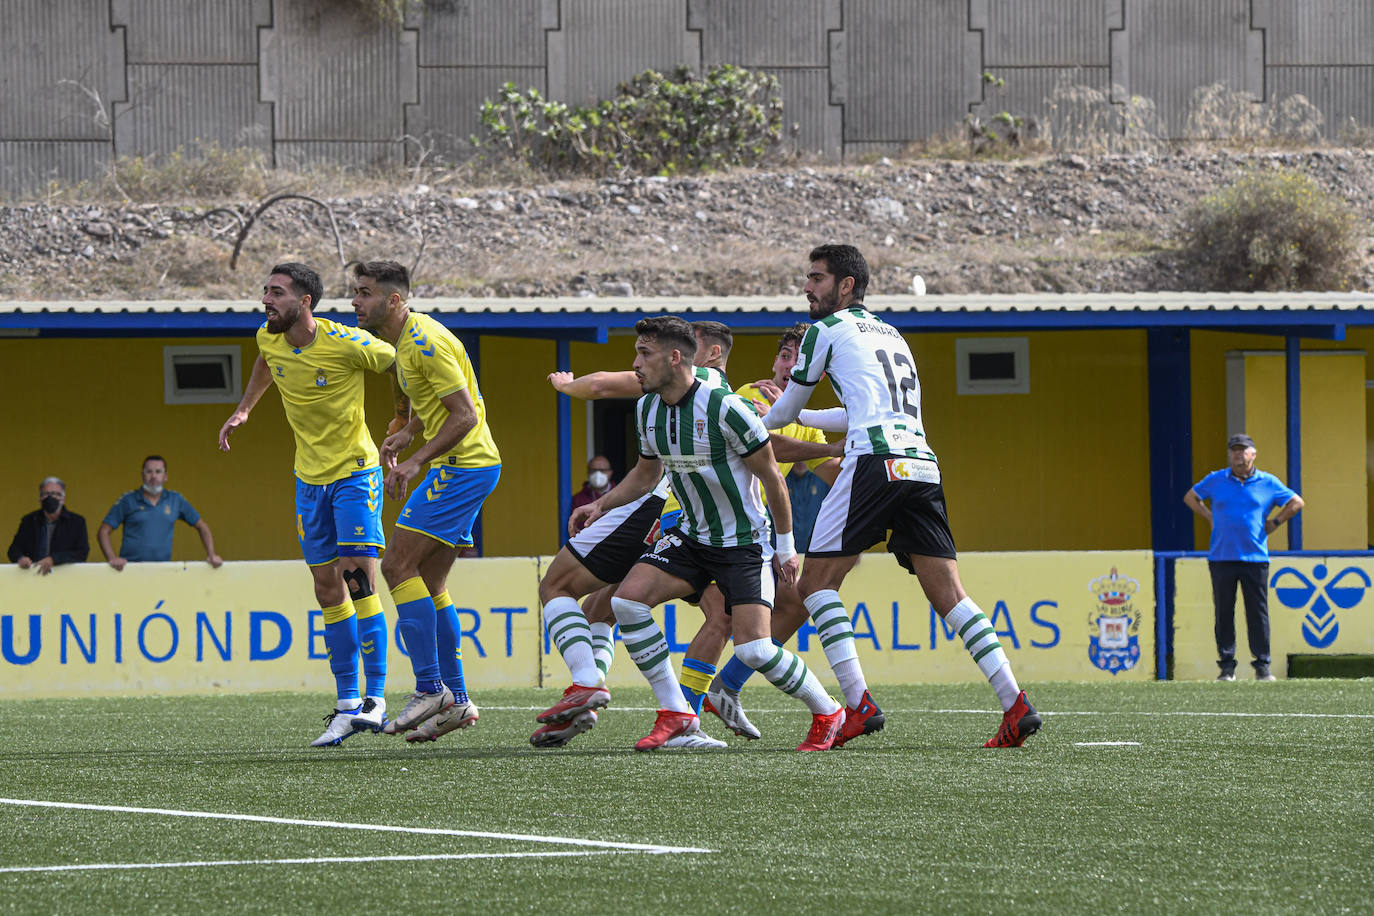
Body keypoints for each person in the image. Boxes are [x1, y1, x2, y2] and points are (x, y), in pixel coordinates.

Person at [761, 243, 1042, 748]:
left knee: (816, 587)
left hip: (873, 462)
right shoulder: (891, 333)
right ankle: (1014, 702)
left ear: (846, 285)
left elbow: (781, 415)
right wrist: (801, 415)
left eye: (817, 278)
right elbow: (855, 413)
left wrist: (743, 429)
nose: (807, 287)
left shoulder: (825, 331)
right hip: (921, 464)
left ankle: (857, 703)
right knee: (951, 595)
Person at [573, 316, 847, 752]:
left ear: (674, 357)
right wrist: (600, 503)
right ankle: (678, 714)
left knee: (755, 650)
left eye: (644, 354)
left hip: (743, 544)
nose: (636, 364)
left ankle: (829, 710)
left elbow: (774, 479)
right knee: (626, 601)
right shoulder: (647, 408)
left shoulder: (726, 408)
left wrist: (786, 548)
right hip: (689, 536)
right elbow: (645, 476)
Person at [218, 261, 395, 747]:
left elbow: (402, 362)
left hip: (356, 473)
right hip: (308, 480)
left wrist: (404, 426)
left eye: (276, 292)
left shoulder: (347, 343)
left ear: (305, 302)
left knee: (358, 576)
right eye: (266, 291)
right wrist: (244, 408)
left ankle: (375, 700)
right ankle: (344, 705)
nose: (266, 299)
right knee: (325, 588)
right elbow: (264, 362)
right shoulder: (268, 337)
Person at [352, 260, 501, 742]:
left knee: (396, 567)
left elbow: (465, 415)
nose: (355, 301)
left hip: (461, 468)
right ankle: (456, 702)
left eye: (365, 293)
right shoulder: (407, 340)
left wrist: (416, 460)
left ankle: (429, 687)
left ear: (393, 300)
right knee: (431, 581)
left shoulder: (424, 342)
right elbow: (433, 402)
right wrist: (408, 433)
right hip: (466, 467)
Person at [1184, 433, 1304, 681]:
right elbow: (1191, 497)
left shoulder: (1267, 482)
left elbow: (1296, 502)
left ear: (1253, 454)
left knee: (1257, 612)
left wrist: (1276, 522)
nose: (1238, 455)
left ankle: (1262, 666)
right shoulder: (1217, 479)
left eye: (1243, 450)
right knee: (1224, 612)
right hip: (1222, 557)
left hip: (1255, 557)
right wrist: (1208, 516)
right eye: (1234, 451)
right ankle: (1227, 667)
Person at [96, 456, 222, 569]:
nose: (153, 476)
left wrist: (211, 554)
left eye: (158, 471)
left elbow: (202, 526)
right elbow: (103, 531)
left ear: (165, 476)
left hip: (162, 571)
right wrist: (111, 558)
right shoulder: (128, 500)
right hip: (130, 570)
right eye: (149, 471)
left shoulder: (175, 500)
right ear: (142, 475)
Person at [8, 477, 89, 574]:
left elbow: (82, 553)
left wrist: (53, 559)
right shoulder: (29, 521)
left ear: (63, 499)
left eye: (56, 494)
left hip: (64, 578)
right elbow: (14, 550)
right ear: (40, 499)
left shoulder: (77, 522)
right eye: (46, 494)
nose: (50, 497)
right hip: (32, 576)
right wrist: (20, 558)